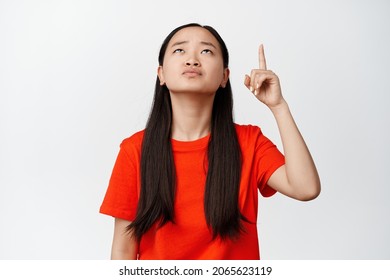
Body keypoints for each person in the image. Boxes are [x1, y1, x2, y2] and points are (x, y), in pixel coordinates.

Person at [99, 23, 321, 260]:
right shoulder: (135, 150)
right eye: (179, 50)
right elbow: (123, 250)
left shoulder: (249, 142)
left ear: (225, 77)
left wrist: (278, 107)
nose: (192, 60)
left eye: (206, 51)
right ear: (161, 74)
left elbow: (305, 188)